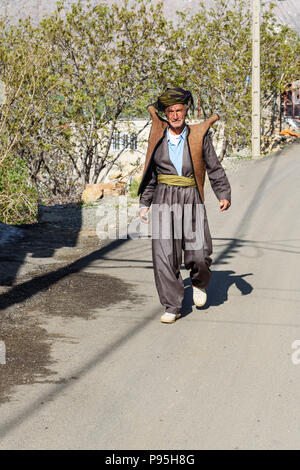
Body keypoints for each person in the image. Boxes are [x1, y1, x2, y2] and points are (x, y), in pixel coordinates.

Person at [138, 87, 231, 324]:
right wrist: (145, 203)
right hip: (162, 197)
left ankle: (199, 283)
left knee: (199, 252)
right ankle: (172, 305)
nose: (176, 115)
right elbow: (151, 173)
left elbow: (214, 167)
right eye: (171, 111)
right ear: (166, 114)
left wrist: (223, 193)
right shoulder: (158, 137)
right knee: (164, 255)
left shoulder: (199, 135)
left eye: (179, 110)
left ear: (186, 111)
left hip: (190, 197)